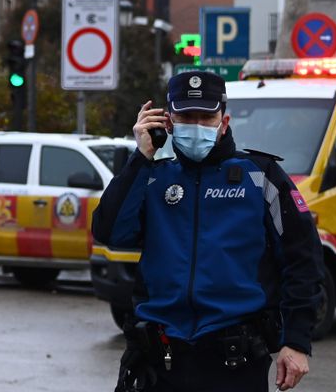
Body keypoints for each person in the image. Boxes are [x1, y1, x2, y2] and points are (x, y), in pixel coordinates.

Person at [92, 70, 323, 392]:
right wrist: (141, 158)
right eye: (186, 116)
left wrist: (296, 341)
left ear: (224, 121)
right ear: (168, 122)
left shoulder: (261, 176)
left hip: (234, 361)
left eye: (206, 116)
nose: (196, 125)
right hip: (159, 359)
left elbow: (304, 261)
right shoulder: (152, 177)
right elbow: (110, 231)